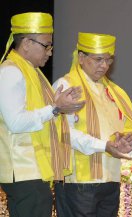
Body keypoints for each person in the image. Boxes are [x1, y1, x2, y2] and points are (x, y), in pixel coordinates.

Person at [0, 12, 84, 217]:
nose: (50, 52)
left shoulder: (32, 71)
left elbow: (43, 115)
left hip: (33, 170)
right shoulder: (11, 71)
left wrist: (64, 108)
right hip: (22, 169)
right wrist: (55, 108)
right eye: (46, 45)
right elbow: (16, 123)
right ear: (27, 43)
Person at [53, 32, 132, 217]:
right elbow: (65, 133)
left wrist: (127, 143)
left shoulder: (116, 92)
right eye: (99, 59)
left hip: (111, 178)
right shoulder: (66, 86)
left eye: (109, 60)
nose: (105, 65)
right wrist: (105, 146)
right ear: (81, 58)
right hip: (78, 181)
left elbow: (130, 130)